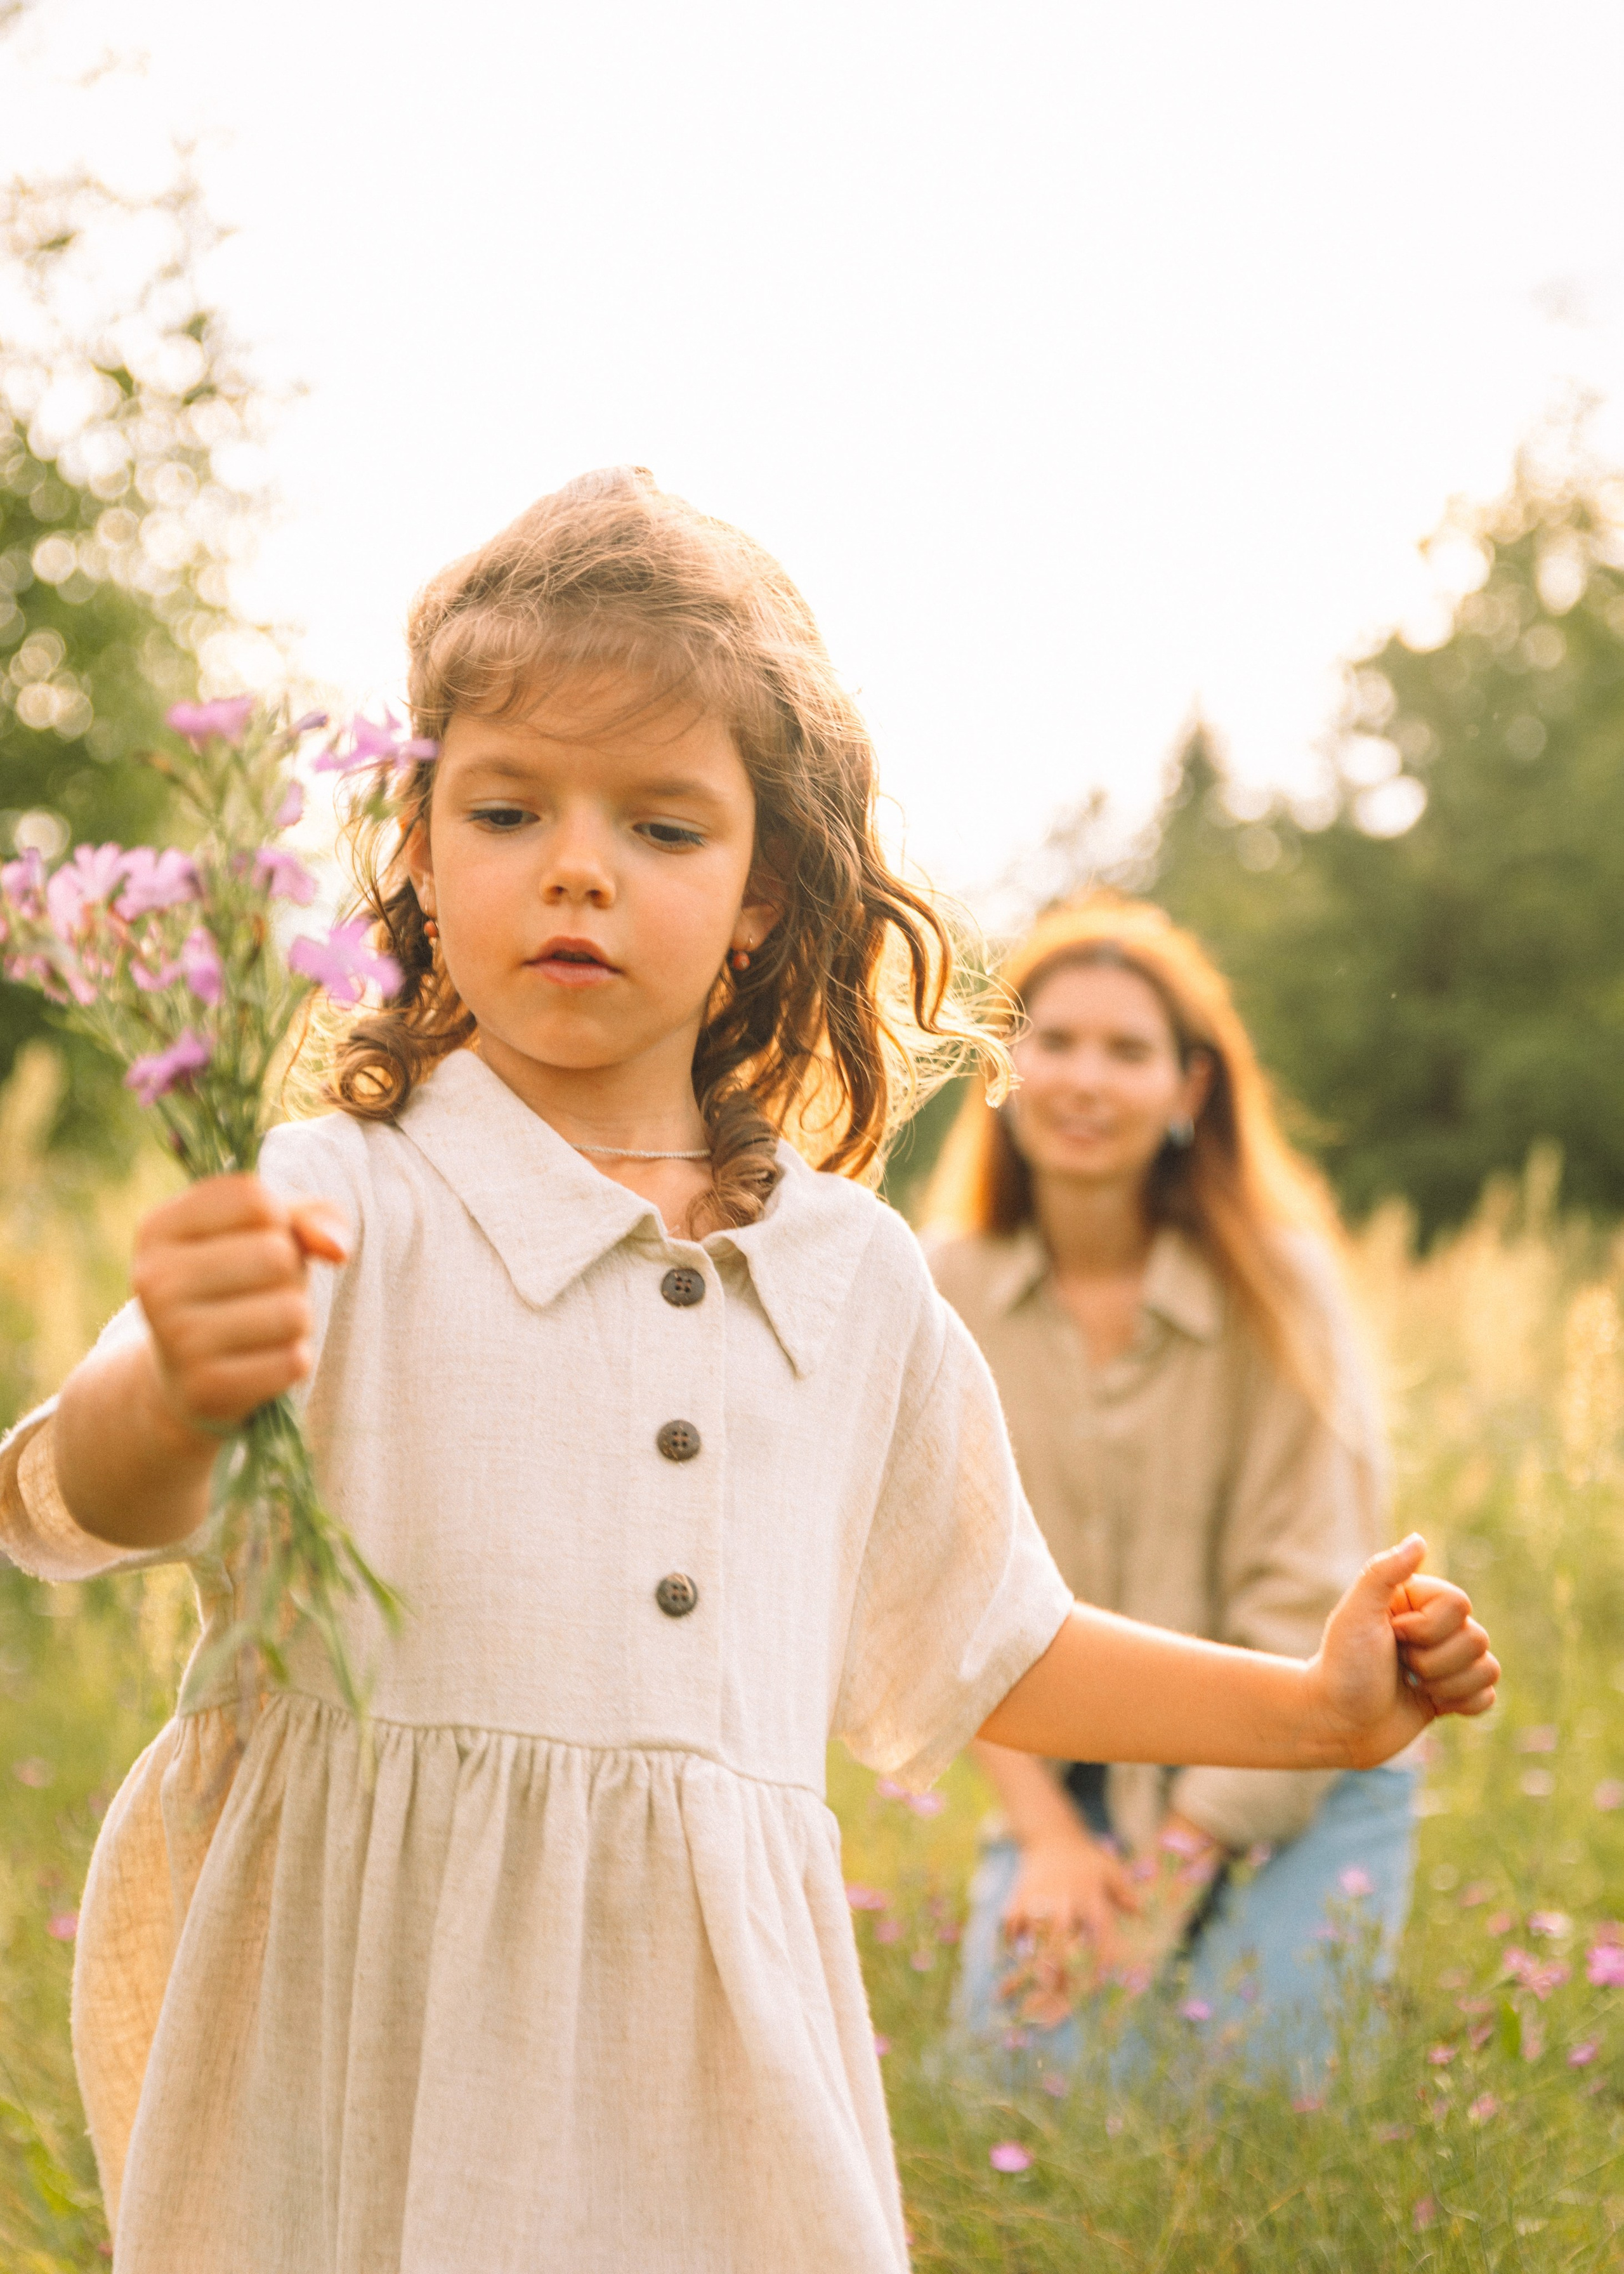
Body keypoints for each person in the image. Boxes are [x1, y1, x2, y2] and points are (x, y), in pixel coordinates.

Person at [0, 473, 1494, 2274]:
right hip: (367, 2056)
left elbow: (990, 1642)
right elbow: (82, 1500)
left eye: (662, 825)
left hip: (710, 2077)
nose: (577, 863)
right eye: (506, 806)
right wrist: (173, 1380)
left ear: (770, 897)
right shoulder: (337, 1197)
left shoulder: (854, 1276)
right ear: (413, 848)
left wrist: (1317, 1716)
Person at [926, 893, 1418, 2079]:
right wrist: (1047, 1837)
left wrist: (1174, 1871)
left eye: (1127, 1050)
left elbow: (1307, 1597)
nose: (1086, 1079)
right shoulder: (941, 1287)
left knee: (1244, 2114)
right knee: (1015, 2109)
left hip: (1298, 1775)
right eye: (1054, 1040)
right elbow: (940, 1597)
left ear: (1189, 1089)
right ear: (1003, 1067)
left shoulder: (1279, 1290)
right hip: (1076, 1778)